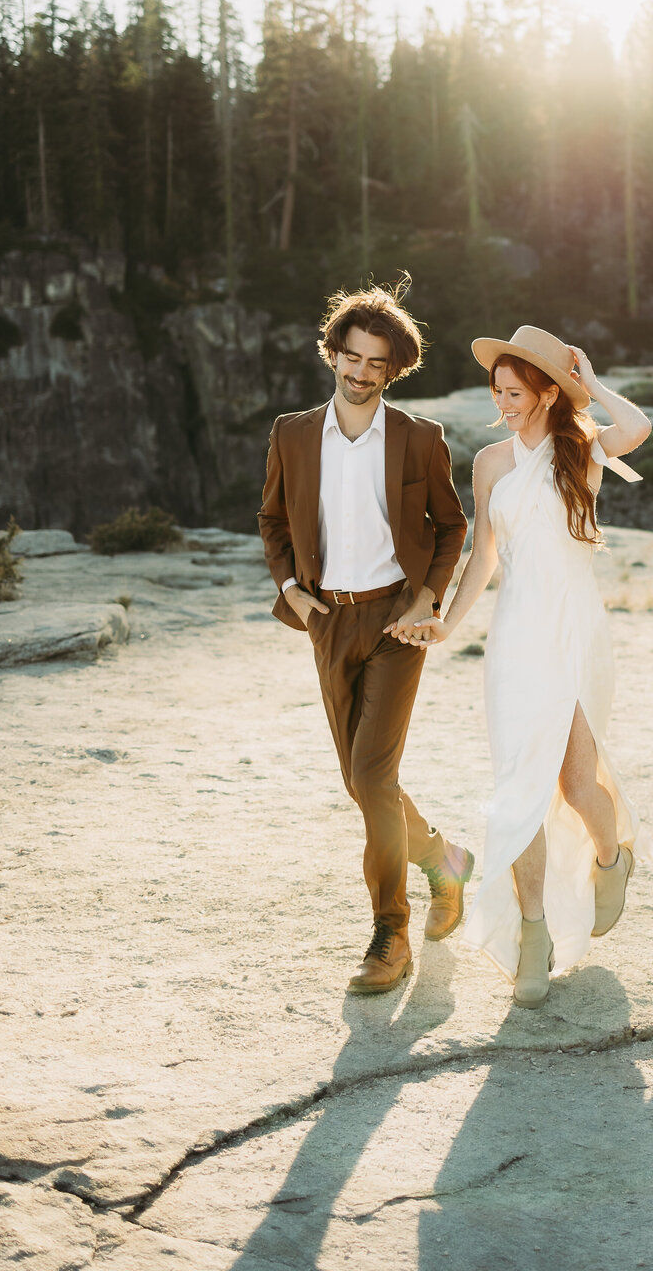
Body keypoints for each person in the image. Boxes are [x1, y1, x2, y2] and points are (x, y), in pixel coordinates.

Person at [393, 325, 652, 1008]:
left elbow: (638, 428)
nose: (503, 403)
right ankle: (531, 936)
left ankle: (612, 857)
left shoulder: (582, 449)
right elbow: (484, 555)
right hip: (515, 638)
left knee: (575, 782)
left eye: (515, 392)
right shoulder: (489, 463)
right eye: (498, 392)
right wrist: (446, 621)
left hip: (574, 630)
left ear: (546, 393)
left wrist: (591, 384)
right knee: (519, 790)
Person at [257, 281, 471, 995]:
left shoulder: (419, 438)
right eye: (351, 356)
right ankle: (443, 859)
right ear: (333, 354)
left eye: (376, 363)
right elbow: (272, 521)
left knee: (373, 778)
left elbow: (451, 527)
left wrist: (428, 595)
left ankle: (390, 933)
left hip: (396, 621)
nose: (360, 372)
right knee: (360, 781)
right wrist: (291, 590)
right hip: (327, 619)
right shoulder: (291, 434)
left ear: (393, 369)